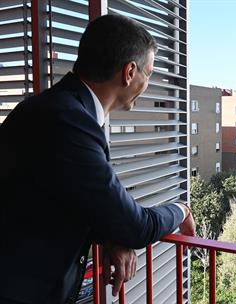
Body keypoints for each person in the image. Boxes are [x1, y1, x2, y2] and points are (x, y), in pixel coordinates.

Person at [0, 15, 195, 304]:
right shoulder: (70, 122)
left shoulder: (47, 107)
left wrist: (110, 235)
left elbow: (61, 192)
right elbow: (137, 226)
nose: (147, 83)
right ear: (129, 72)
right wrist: (182, 209)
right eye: (149, 73)